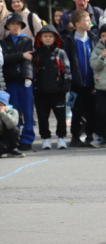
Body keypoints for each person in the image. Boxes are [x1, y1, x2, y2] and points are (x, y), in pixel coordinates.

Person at [63, 10, 99, 148]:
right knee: (76, 111)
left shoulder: (93, 38)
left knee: (91, 111)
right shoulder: (69, 40)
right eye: (87, 20)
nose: (90, 22)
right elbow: (67, 63)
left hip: (91, 83)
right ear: (77, 24)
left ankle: (90, 136)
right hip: (76, 85)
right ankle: (75, 136)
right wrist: (69, 82)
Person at [33, 25, 72, 150]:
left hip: (58, 91)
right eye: (45, 36)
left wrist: (66, 86)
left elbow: (67, 70)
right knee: (42, 117)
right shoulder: (36, 54)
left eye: (51, 36)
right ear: (40, 38)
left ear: (56, 38)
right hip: (41, 92)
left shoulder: (60, 53)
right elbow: (33, 71)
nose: (48, 38)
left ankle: (61, 138)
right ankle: (46, 138)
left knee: (61, 117)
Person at [1, 13, 35, 149]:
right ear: (8, 26)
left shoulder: (26, 41)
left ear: (22, 26)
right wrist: (21, 55)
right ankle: (14, 138)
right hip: (10, 81)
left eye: (18, 24)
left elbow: (28, 61)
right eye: (13, 24)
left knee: (27, 110)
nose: (16, 26)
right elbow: (4, 59)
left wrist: (28, 77)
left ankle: (27, 139)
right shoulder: (3, 43)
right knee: (13, 111)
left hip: (24, 80)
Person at [0, 90, 25, 158]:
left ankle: (13, 149)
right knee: (2, 148)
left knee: (15, 129)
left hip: (7, 136)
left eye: (0, 105)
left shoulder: (13, 111)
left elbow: (12, 124)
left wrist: (2, 113)